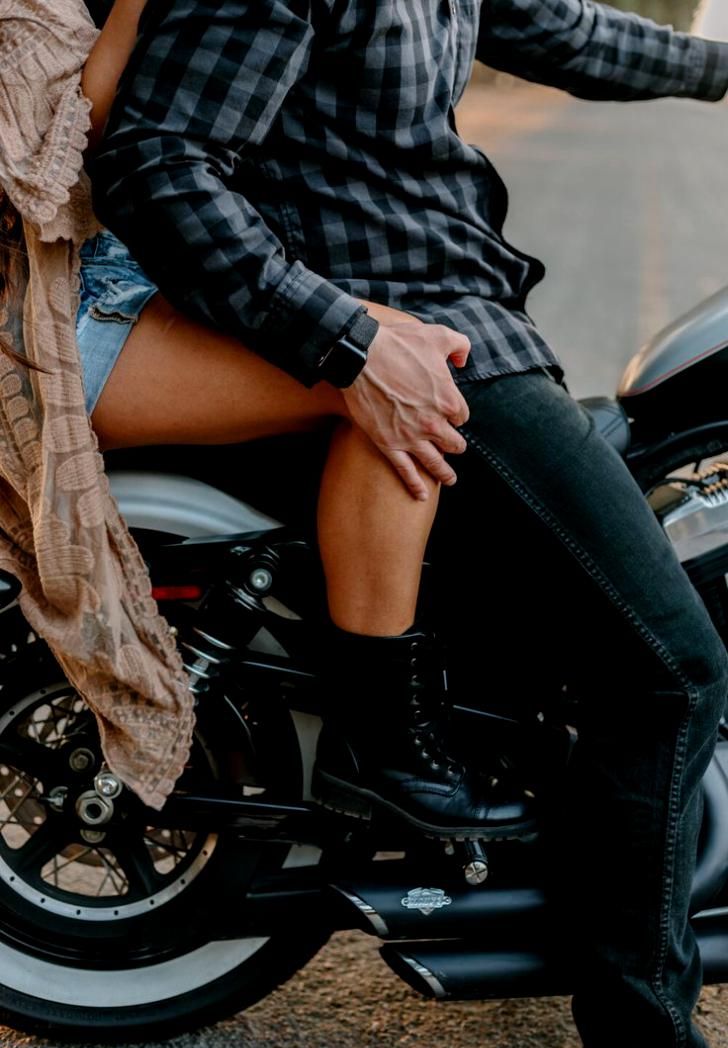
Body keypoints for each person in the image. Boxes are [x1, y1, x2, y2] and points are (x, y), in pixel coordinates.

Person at [91, 1, 728, 1048]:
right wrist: (344, 340)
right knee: (667, 672)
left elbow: (555, 30)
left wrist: (718, 68)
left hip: (452, 302)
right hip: (407, 331)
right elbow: (157, 157)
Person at [0, 0, 538, 838]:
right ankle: (382, 745)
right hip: (40, 318)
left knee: (394, 334)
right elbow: (77, 153)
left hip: (107, 281)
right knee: (390, 370)